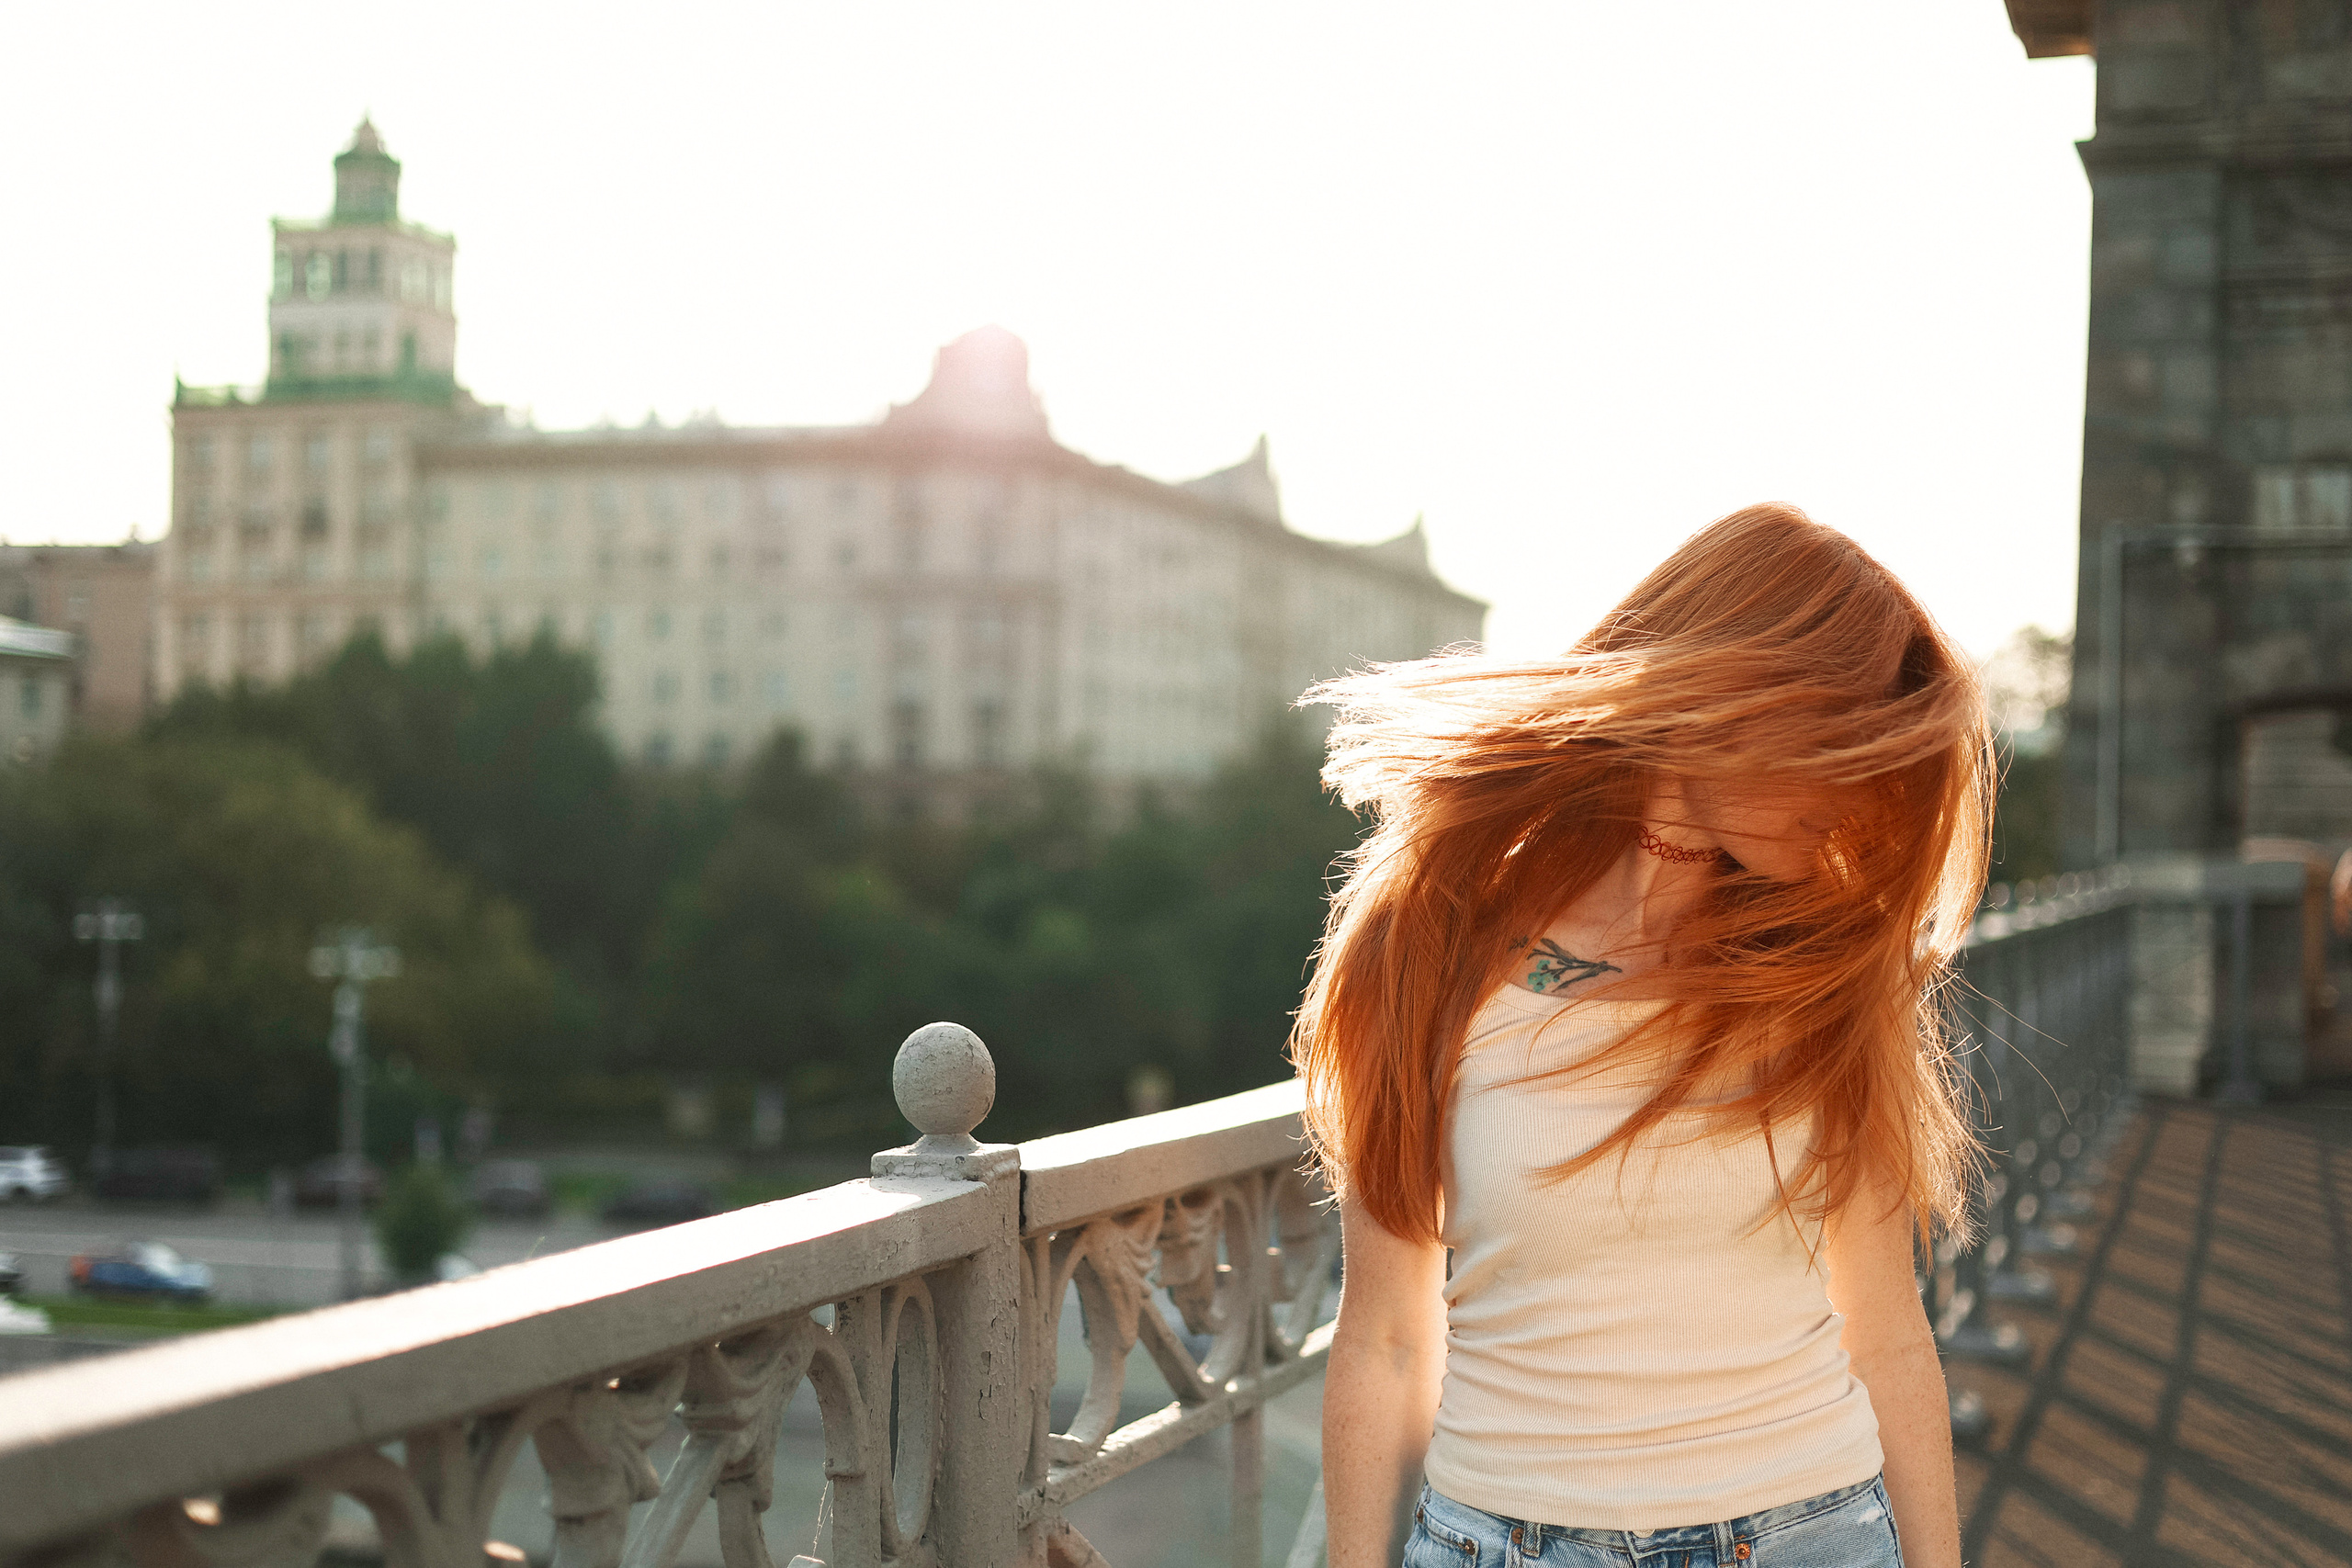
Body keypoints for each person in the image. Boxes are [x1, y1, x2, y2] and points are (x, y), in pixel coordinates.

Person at [1297, 504, 1984, 1568]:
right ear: (1732, 700)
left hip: (1812, 1534)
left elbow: (1888, 1330)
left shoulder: (1835, 962)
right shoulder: (1431, 934)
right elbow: (1386, 1338)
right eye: (1838, 752)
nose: (1861, 804)